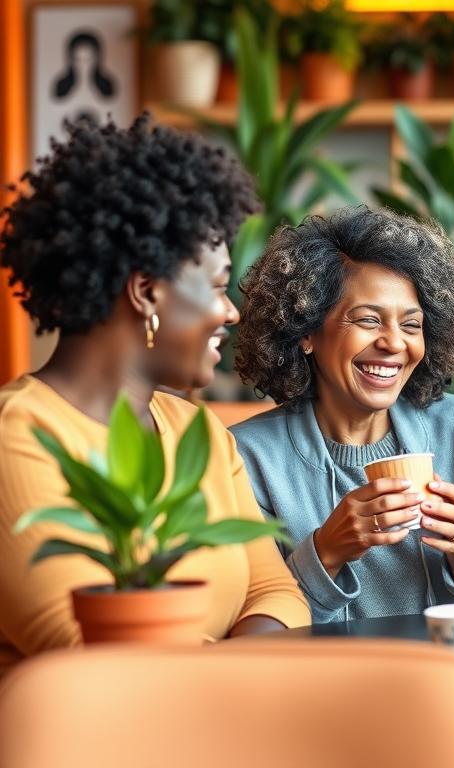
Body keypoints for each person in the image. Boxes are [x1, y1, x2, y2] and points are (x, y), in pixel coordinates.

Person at [0, 116, 311, 678]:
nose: (231, 311)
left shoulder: (199, 432)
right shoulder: (17, 438)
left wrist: (236, 677)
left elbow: (277, 592)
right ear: (146, 292)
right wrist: (250, 671)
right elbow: (90, 657)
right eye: (218, 287)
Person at [229, 207, 454, 623]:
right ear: (306, 332)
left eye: (411, 325)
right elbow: (254, 626)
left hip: (451, 680)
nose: (394, 343)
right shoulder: (247, 457)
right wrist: (327, 552)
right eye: (369, 320)